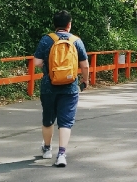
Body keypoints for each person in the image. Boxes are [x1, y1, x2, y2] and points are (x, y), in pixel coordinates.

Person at [33, 10, 89, 167]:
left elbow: (36, 62)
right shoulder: (76, 41)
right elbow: (84, 65)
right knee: (65, 122)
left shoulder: (47, 39)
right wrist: (85, 80)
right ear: (69, 24)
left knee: (48, 119)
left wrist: (47, 65)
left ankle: (47, 149)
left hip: (48, 86)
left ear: (54, 24)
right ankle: (62, 154)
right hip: (70, 87)